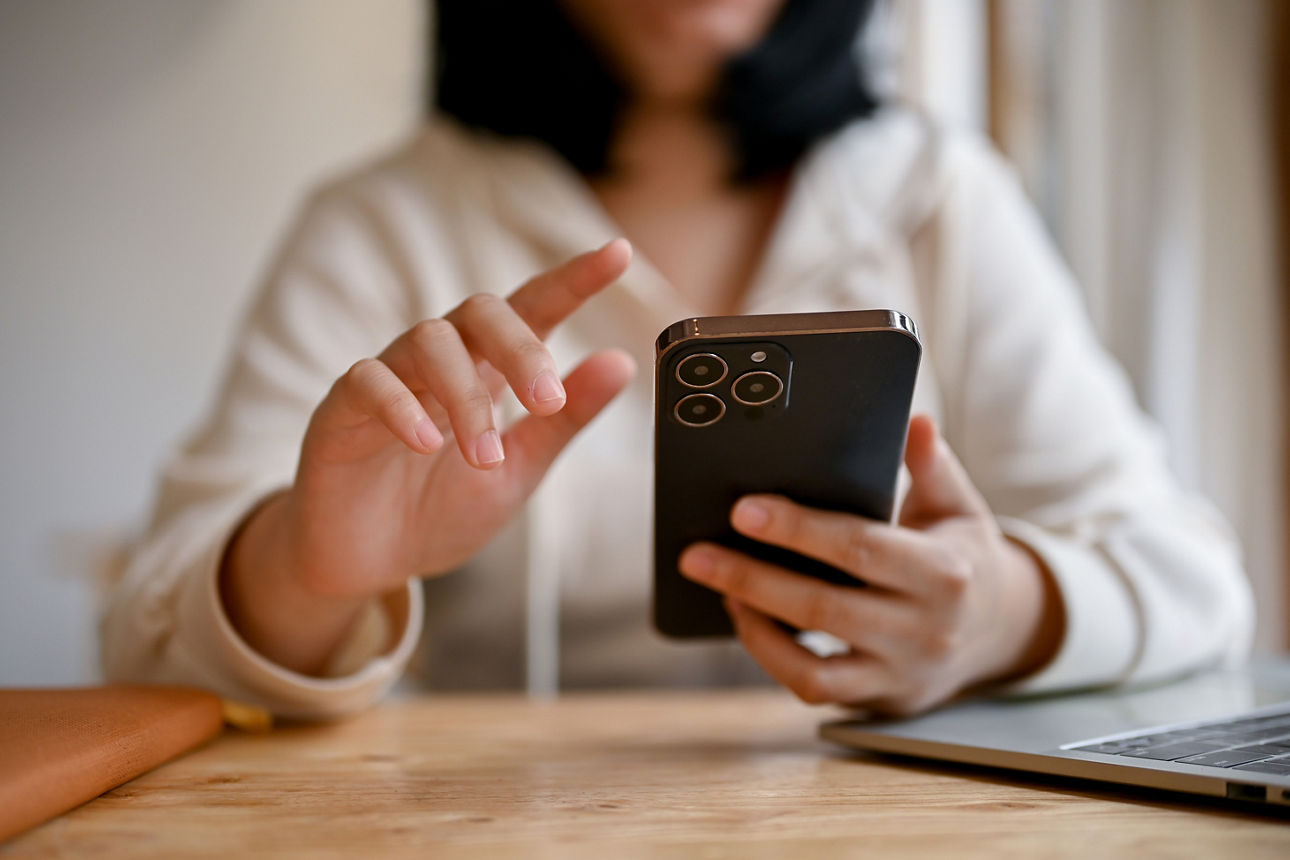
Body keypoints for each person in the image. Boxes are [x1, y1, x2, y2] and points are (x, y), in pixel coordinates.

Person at [102, 0, 1252, 719]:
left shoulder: (938, 194)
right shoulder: (383, 222)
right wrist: (311, 565)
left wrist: (1003, 610)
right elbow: (142, 640)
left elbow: (1196, 579)